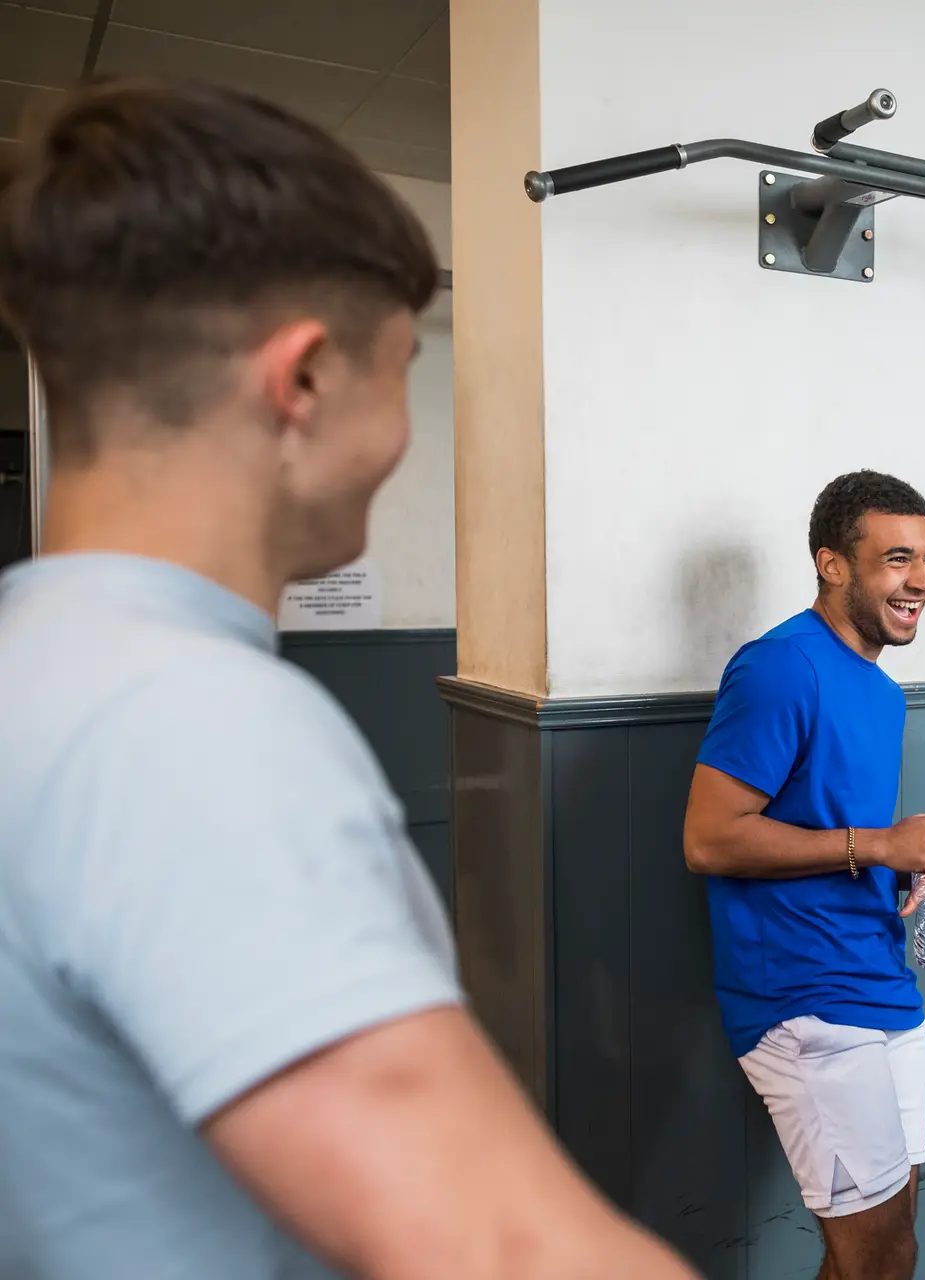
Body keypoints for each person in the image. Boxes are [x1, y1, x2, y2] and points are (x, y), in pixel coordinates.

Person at [0, 80, 695, 1279]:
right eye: (396, 373)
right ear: (305, 380)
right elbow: (505, 1248)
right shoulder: (186, 722)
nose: (404, 430)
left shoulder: (42, 661)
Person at [682, 470, 925, 1280]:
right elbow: (709, 838)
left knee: (881, 1248)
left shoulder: (880, 691)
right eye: (896, 559)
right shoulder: (780, 667)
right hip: (803, 1000)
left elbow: (841, 832)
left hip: (879, 979)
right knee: (882, 1258)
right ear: (833, 564)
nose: (920, 580)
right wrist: (880, 846)